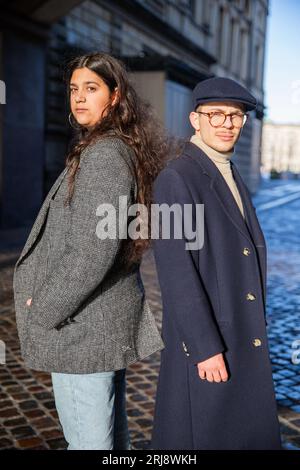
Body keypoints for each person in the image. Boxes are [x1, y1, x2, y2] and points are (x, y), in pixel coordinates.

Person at [13, 52, 165, 450]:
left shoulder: (103, 156)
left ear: (114, 96)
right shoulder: (113, 147)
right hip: (101, 325)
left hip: (83, 331)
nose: (79, 98)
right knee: (110, 443)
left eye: (91, 89)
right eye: (74, 89)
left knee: (89, 443)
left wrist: (43, 308)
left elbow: (92, 252)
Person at [151, 77, 282, 450]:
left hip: (239, 330)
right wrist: (205, 346)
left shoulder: (228, 170)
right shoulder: (177, 177)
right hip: (211, 341)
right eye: (217, 115)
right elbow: (176, 270)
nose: (227, 123)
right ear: (196, 119)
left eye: (236, 116)